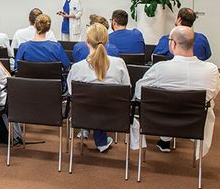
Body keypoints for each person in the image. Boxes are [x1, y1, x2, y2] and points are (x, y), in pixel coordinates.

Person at [135, 26, 219, 156]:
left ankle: (165, 139)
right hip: (195, 124)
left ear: (173, 44)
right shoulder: (211, 70)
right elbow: (212, 95)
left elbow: (139, 93)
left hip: (159, 122)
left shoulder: (160, 69)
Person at [67, 23, 131, 152]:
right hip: (113, 116)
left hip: (84, 115)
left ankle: (87, 131)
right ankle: (101, 142)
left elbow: (71, 91)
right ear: (107, 41)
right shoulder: (119, 63)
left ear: (87, 41)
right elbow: (127, 90)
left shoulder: (77, 67)